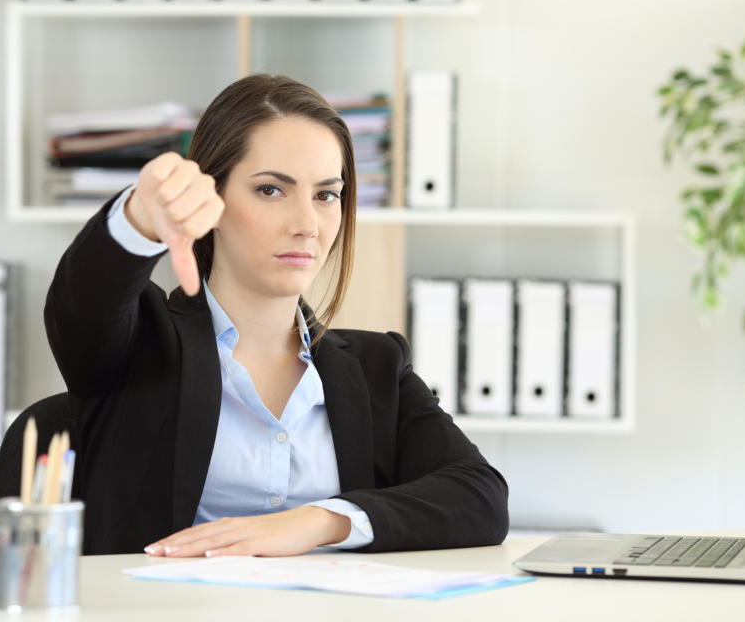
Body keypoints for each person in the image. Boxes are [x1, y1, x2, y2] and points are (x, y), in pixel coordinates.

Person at [44, 74, 509, 557]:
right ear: (213, 199)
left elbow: (480, 497)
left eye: (326, 195)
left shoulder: (377, 367)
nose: (307, 224)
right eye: (271, 190)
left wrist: (321, 521)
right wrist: (140, 216)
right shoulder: (140, 344)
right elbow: (80, 301)